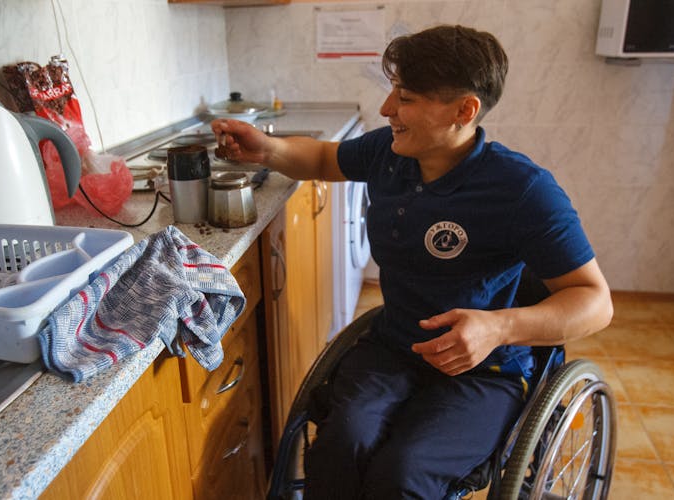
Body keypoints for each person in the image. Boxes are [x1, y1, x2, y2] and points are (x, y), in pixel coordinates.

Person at [211, 24, 613, 500]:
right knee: (341, 447)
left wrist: (498, 327)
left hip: (485, 369)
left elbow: (596, 302)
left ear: (465, 110)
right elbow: (322, 158)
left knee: (403, 474)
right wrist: (269, 150)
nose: (387, 109)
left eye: (407, 97)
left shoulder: (523, 190)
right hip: (394, 347)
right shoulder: (390, 153)